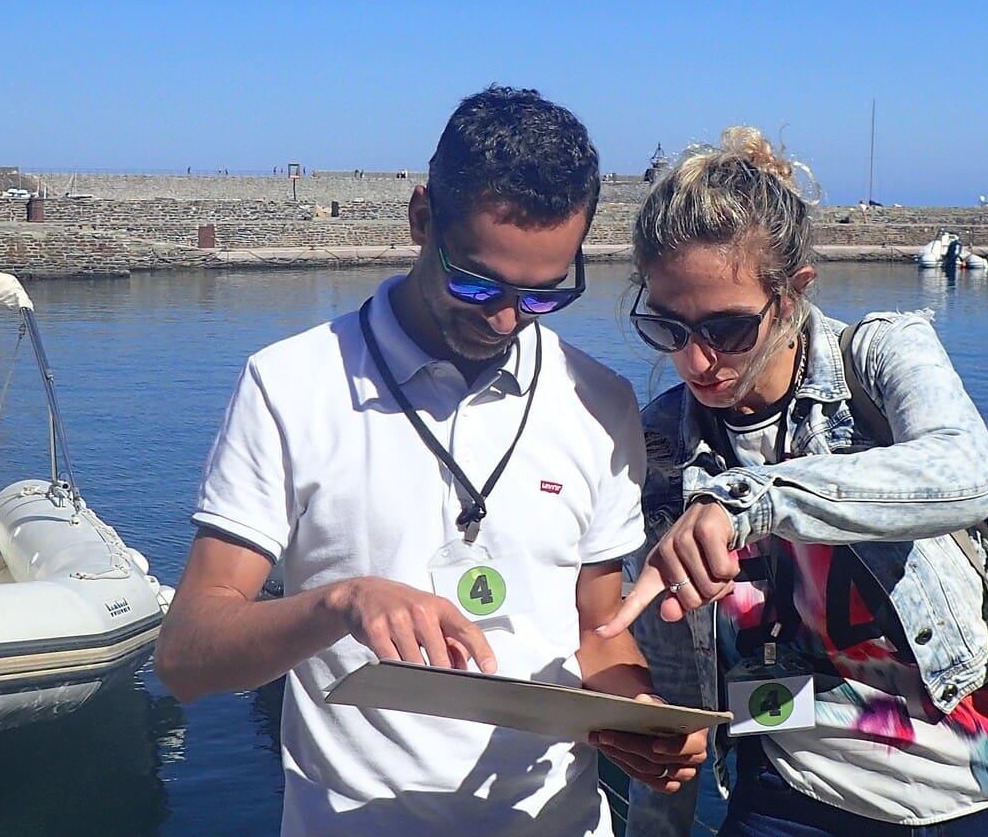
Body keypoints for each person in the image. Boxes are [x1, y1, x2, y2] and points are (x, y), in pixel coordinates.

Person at [155, 86, 706, 837]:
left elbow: (597, 629)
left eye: (543, 295)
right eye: (476, 282)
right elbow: (187, 658)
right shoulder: (287, 386)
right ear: (421, 219)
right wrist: (338, 602)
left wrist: (637, 713)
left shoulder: (599, 400)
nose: (506, 318)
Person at [598, 128, 988, 837]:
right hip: (789, 799)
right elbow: (676, 681)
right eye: (667, 328)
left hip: (987, 791)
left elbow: (961, 474)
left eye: (728, 328)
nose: (696, 360)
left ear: (793, 293)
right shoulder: (663, 447)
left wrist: (749, 503)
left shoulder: (880, 354)